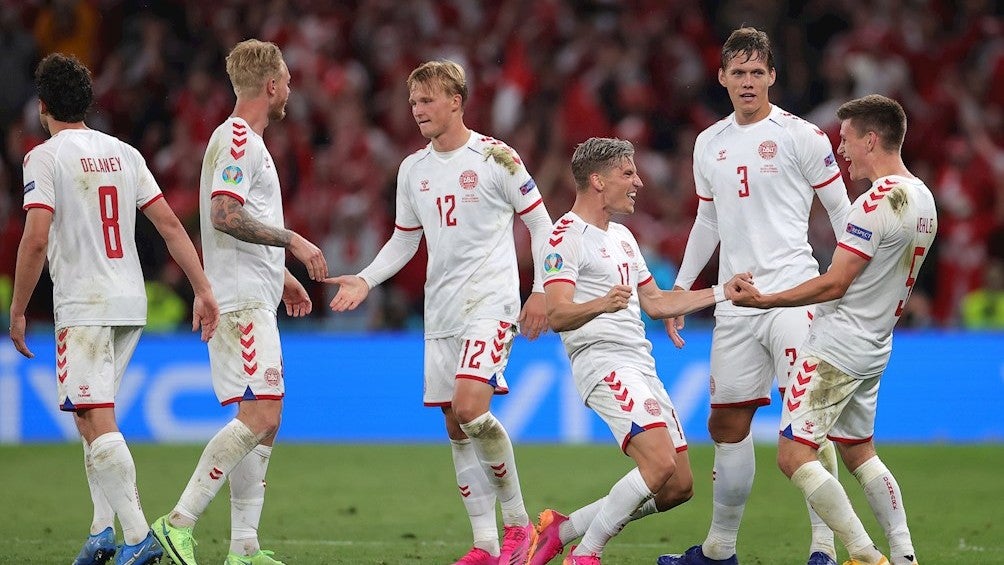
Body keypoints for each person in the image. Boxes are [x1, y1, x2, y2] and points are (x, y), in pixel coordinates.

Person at [326, 59, 553, 565]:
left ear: (456, 100)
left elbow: (542, 225)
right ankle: (485, 544)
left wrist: (540, 290)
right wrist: (366, 278)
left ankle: (518, 525)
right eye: (413, 103)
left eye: (427, 100)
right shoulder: (413, 170)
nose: (418, 111)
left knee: (473, 407)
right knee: (455, 425)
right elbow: (405, 240)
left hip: (492, 303)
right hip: (441, 310)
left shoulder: (498, 158)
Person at [10, 53, 219, 565]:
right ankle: (103, 529)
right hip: (130, 301)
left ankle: (136, 536)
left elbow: (36, 239)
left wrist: (17, 310)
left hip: (84, 303)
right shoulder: (124, 152)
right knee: (94, 416)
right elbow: (170, 225)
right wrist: (203, 289)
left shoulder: (44, 156)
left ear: (43, 107)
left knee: (93, 416)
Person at [658, 27, 852, 565]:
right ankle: (720, 550)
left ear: (772, 76)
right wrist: (680, 290)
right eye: (737, 72)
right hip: (736, 303)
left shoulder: (804, 137)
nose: (747, 82)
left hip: (793, 297)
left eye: (756, 72)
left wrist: (840, 288)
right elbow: (708, 219)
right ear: (722, 77)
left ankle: (824, 547)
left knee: (806, 425)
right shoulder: (709, 142)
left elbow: (843, 217)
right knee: (726, 424)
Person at [728, 94, 933, 565]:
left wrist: (768, 299)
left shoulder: (873, 204)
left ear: (871, 139)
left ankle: (865, 554)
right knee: (861, 452)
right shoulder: (924, 198)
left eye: (847, 141)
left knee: (793, 454)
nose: (842, 151)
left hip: (838, 345)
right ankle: (904, 555)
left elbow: (836, 282)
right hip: (877, 343)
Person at [525, 137, 747, 565]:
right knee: (658, 463)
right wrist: (600, 305)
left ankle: (563, 529)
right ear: (597, 180)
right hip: (602, 360)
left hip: (640, 363)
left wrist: (723, 292)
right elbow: (557, 314)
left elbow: (657, 303)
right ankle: (585, 555)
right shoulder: (564, 237)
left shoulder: (624, 237)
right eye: (627, 173)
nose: (638, 182)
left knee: (678, 485)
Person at [152, 39, 328, 565]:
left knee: (266, 420)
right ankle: (177, 522)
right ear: (271, 85)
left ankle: (244, 548)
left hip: (256, 295)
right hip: (239, 303)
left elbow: (233, 222)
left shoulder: (247, 141)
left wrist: (280, 277)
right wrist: (292, 241)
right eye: (288, 81)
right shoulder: (236, 139)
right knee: (260, 413)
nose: (291, 90)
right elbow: (226, 214)